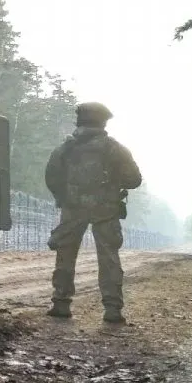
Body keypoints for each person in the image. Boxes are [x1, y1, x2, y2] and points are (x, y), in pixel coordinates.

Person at [44, 101, 142, 324]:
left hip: (72, 209)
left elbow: (51, 177)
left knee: (65, 255)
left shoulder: (65, 149)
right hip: (106, 209)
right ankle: (112, 309)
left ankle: (60, 304)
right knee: (108, 257)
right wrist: (114, 181)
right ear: (104, 122)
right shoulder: (114, 148)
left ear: (79, 121)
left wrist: (65, 196)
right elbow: (134, 180)